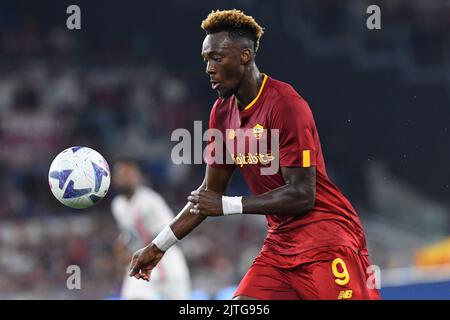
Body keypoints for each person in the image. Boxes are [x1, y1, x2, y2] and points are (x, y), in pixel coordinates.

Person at [129, 9, 380, 300]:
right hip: (280, 246)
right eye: (206, 60)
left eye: (217, 58)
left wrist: (229, 205)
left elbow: (302, 194)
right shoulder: (221, 113)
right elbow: (209, 194)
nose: (209, 68)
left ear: (245, 56)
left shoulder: (286, 105)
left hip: (326, 238)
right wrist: (158, 246)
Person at [111, 159, 191, 299]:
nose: (126, 179)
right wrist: (122, 245)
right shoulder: (117, 205)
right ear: (115, 180)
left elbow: (171, 230)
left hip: (169, 263)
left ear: (138, 177)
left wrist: (132, 250)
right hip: (141, 265)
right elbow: (129, 233)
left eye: (129, 174)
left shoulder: (150, 200)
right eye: (122, 175)